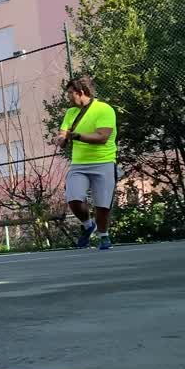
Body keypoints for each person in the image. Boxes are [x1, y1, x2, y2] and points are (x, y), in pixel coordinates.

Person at [55, 76, 118, 250]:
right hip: (79, 165)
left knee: (102, 205)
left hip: (104, 162)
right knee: (73, 199)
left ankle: (103, 236)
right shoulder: (70, 113)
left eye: (70, 93)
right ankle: (88, 225)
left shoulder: (104, 109)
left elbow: (102, 137)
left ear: (81, 92)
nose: (68, 96)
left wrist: (76, 136)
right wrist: (60, 139)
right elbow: (62, 134)